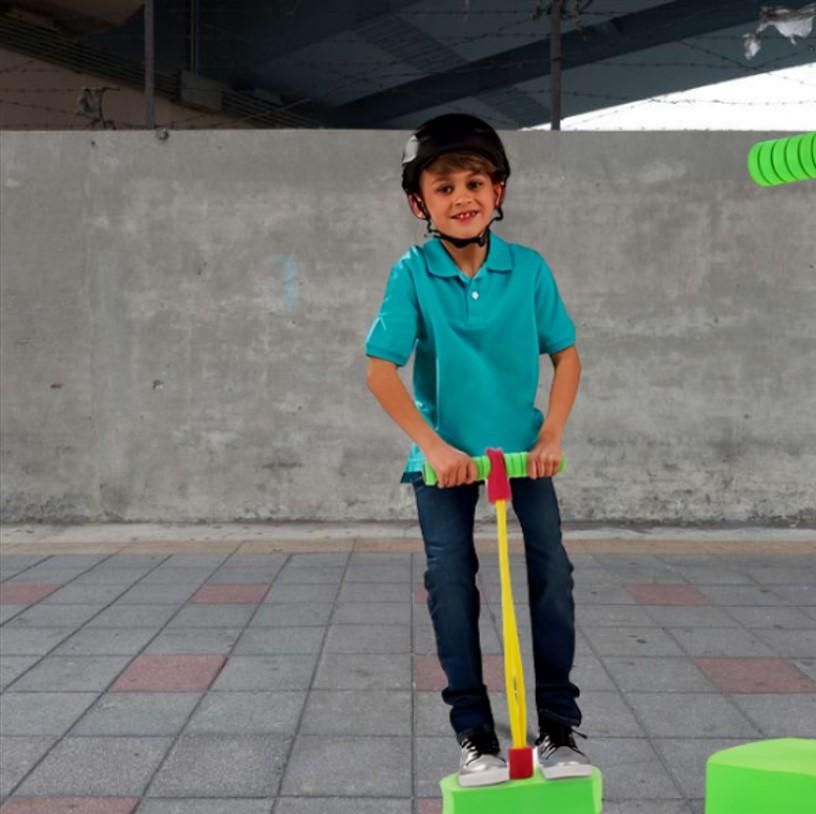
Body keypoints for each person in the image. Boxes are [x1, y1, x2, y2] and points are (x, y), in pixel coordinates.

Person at [365, 113, 591, 786]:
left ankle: (557, 727)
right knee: (450, 580)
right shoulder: (412, 273)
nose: (461, 197)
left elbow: (567, 355)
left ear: (497, 193)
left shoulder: (529, 269)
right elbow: (381, 368)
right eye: (443, 188)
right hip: (446, 459)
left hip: (523, 452)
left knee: (552, 571)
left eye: (474, 183)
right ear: (420, 205)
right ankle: (474, 735)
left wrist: (551, 433)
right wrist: (432, 447)